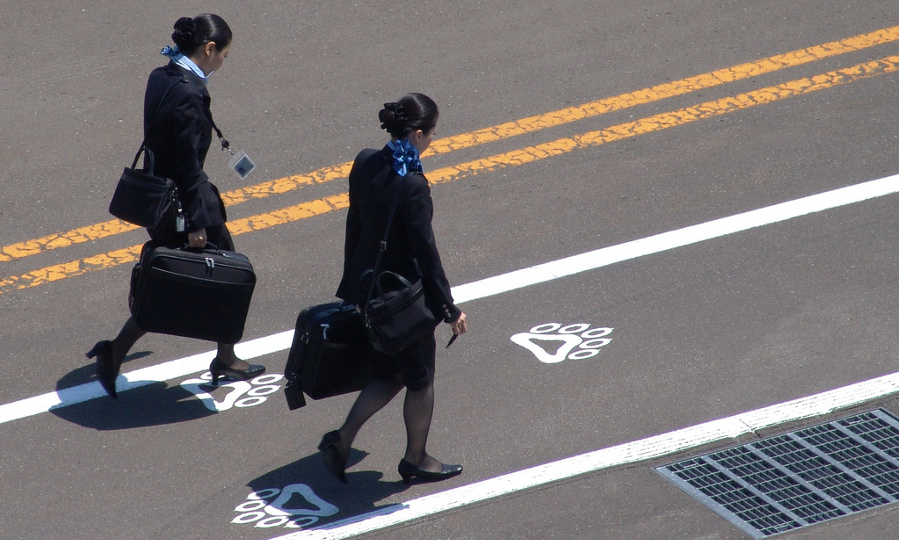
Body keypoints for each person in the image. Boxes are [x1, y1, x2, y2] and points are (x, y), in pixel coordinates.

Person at [86, 14, 264, 398]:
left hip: (162, 195)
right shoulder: (189, 92)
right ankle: (119, 352)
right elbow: (187, 163)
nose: (223, 64)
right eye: (224, 56)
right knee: (201, 276)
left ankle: (222, 355)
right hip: (185, 200)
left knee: (176, 276)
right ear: (209, 49)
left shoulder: (162, 75)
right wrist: (198, 221)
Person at [319, 93, 469, 485]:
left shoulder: (366, 160)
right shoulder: (414, 185)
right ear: (417, 134)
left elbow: (355, 226)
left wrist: (353, 286)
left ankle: (341, 440)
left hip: (371, 293)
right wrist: (448, 308)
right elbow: (426, 253)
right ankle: (415, 459)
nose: (433, 141)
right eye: (432, 134)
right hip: (404, 301)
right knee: (419, 379)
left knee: (389, 374)